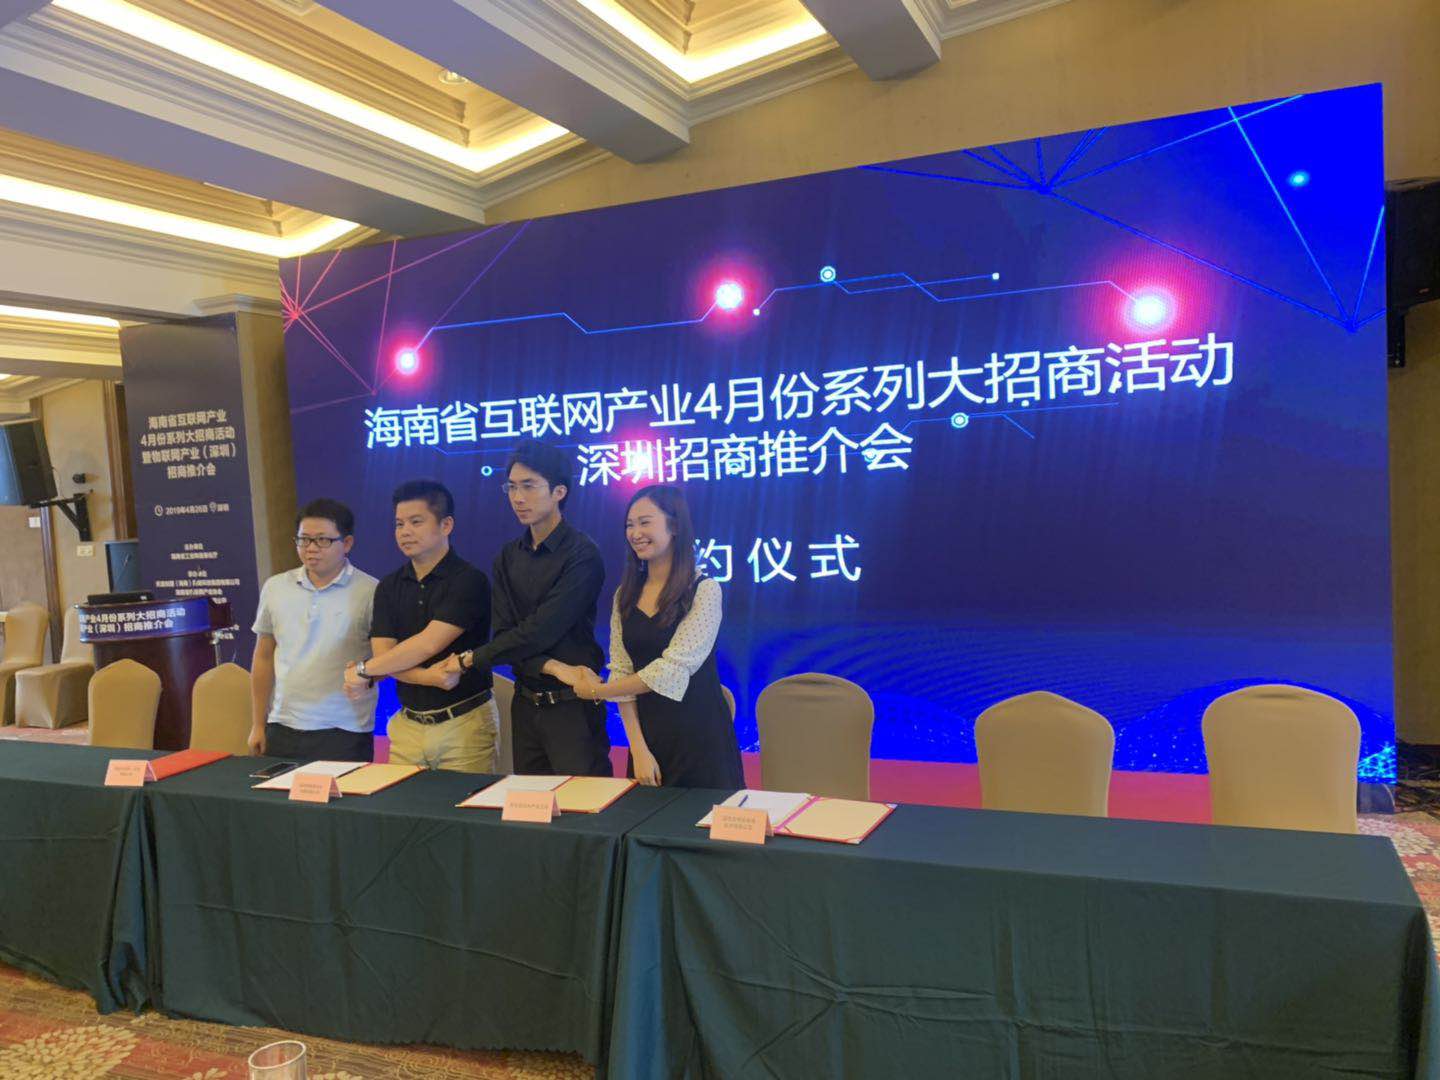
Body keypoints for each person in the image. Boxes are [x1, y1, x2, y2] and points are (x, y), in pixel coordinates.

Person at [440, 440, 611, 776]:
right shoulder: (507, 557)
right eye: (512, 487)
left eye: (529, 486)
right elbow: (506, 635)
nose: (518, 497)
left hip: (573, 707)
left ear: (559, 491)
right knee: (531, 802)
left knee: (584, 803)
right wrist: (554, 667)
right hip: (525, 703)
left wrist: (470, 659)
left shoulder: (582, 554)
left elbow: (540, 630)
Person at [575, 485, 743, 788]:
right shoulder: (624, 595)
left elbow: (671, 671)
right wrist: (638, 749)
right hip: (647, 741)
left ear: (674, 526)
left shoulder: (704, 590)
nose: (635, 533)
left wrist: (598, 691)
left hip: (701, 739)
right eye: (630, 524)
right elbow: (622, 669)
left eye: (645, 522)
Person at [342, 479, 497, 772]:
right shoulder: (389, 586)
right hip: (407, 726)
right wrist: (429, 677)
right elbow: (386, 656)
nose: (405, 532)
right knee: (403, 801)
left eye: (416, 522)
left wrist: (363, 671)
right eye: (399, 524)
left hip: (463, 724)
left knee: (464, 802)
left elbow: (427, 644)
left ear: (446, 525)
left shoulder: (469, 580)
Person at [249, 498, 379, 763]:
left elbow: (385, 659)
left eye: (322, 540)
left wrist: (366, 678)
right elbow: (263, 657)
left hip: (345, 729)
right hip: (282, 726)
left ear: (347, 543)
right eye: (303, 540)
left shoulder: (371, 591)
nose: (311, 548)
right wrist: (258, 724)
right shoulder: (276, 587)